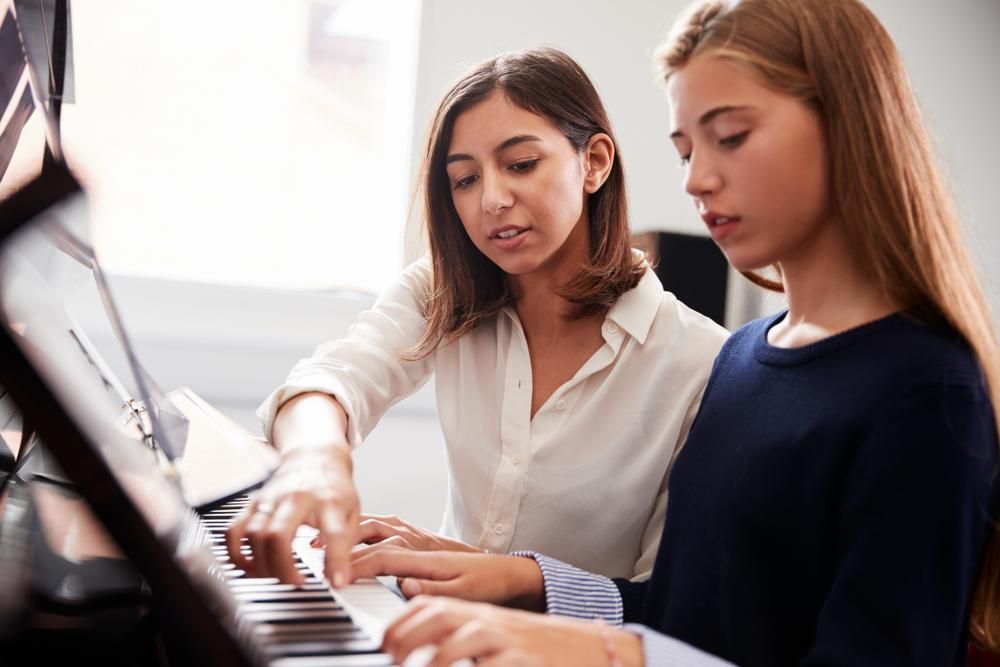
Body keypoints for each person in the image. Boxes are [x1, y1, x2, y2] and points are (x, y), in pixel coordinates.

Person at [349, 0, 1000, 665]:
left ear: (846, 126)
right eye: (685, 149)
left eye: (731, 136)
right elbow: (683, 614)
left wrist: (609, 653)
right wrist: (521, 580)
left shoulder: (927, 389)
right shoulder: (747, 359)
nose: (695, 179)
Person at [224, 47, 728, 589]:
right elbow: (335, 378)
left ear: (595, 162)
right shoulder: (445, 292)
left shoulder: (700, 363)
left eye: (521, 165)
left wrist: (500, 577)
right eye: (464, 179)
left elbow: (667, 604)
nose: (491, 199)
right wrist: (315, 461)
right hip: (433, 626)